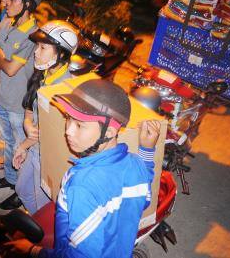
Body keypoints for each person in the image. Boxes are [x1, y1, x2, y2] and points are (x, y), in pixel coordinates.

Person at [8, 79, 161, 257]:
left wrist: (33, 250)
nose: (68, 131)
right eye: (68, 119)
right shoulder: (136, 163)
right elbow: (145, 199)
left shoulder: (82, 186)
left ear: (109, 133)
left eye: (80, 125)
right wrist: (147, 150)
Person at [0, 20, 78, 211]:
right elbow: (30, 104)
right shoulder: (44, 73)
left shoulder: (63, 88)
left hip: (46, 153)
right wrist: (27, 121)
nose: (36, 52)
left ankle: (40, 228)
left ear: (61, 54)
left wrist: (22, 146)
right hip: (34, 147)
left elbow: (47, 130)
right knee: (22, 190)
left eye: (43, 48)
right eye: (37, 46)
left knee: (41, 206)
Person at [0, 0, 41, 194]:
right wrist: (3, 58)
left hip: (19, 104)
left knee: (21, 147)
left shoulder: (33, 34)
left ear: (27, 5)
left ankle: (22, 191)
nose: (7, 3)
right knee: (8, 143)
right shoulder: (6, 24)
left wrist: (0, 55)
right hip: (2, 98)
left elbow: (10, 69)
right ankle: (10, 179)